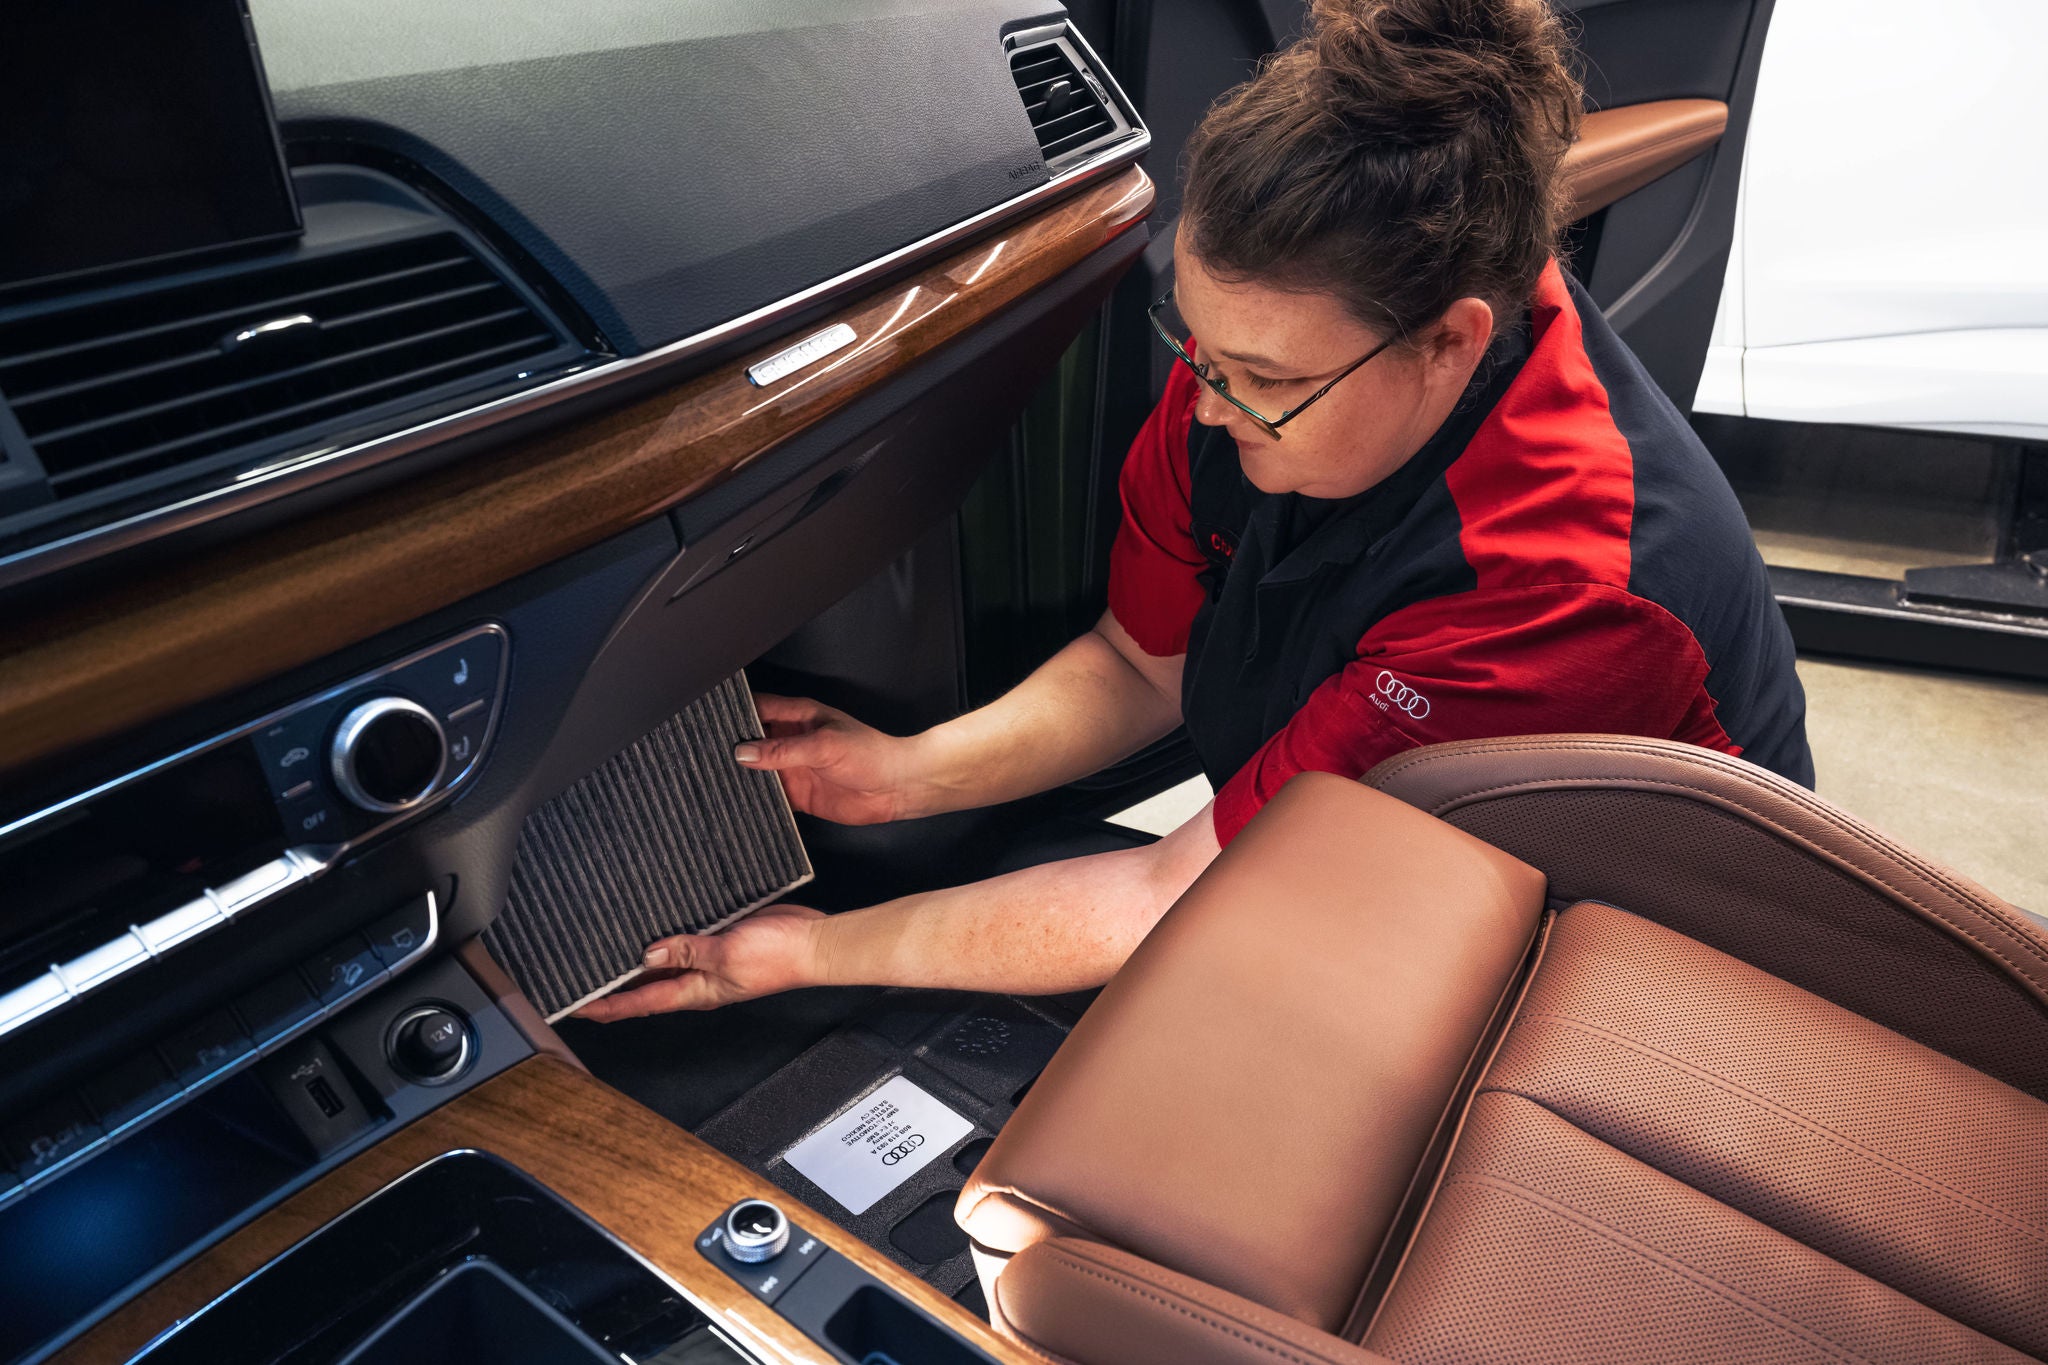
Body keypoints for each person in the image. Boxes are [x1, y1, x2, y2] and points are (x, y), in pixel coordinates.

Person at [575, 0, 1810, 1022]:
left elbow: (1172, 894)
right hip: (1375, 864)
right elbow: (1138, 661)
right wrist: (902, 779)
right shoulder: (1256, 365)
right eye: (1198, 344)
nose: (1205, 401)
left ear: (1450, 343)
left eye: (1263, 381)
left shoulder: (1562, 589)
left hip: (1627, 958)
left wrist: (797, 956)